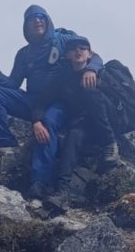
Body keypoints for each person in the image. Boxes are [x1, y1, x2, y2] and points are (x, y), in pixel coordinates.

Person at [0, 5, 102, 189]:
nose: (37, 21)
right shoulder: (24, 54)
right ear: (26, 26)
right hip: (33, 100)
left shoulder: (63, 40)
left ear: (47, 20)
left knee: (47, 121)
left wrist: (91, 69)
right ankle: (6, 144)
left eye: (40, 17)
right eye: (31, 18)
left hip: (61, 102)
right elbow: (13, 83)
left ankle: (40, 180)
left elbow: (93, 54)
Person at [32, 35, 120, 197]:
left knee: (91, 93)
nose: (78, 51)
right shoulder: (62, 80)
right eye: (73, 49)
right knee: (73, 135)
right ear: (68, 55)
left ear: (90, 54)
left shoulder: (100, 73)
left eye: (82, 48)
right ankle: (62, 190)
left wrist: (92, 72)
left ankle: (110, 143)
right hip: (86, 124)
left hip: (109, 120)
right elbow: (43, 101)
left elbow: (110, 102)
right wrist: (37, 121)